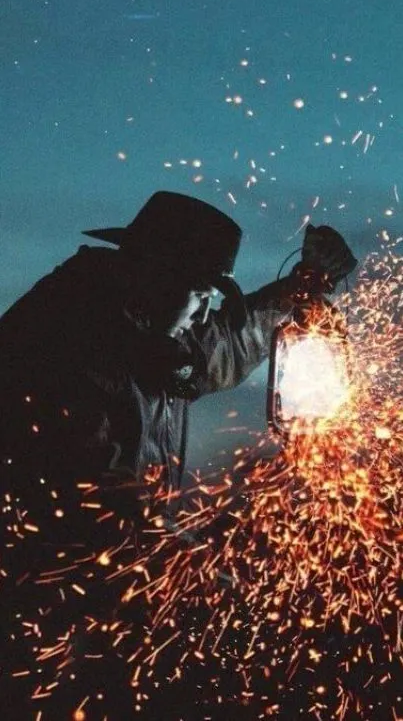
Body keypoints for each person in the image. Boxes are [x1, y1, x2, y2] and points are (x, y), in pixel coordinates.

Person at [0, 191, 357, 718]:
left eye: (213, 294)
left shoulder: (152, 331)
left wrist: (299, 288)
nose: (204, 312)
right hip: (40, 617)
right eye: (199, 292)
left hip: (111, 606)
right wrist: (206, 560)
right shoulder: (60, 339)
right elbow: (98, 505)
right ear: (153, 272)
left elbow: (226, 342)